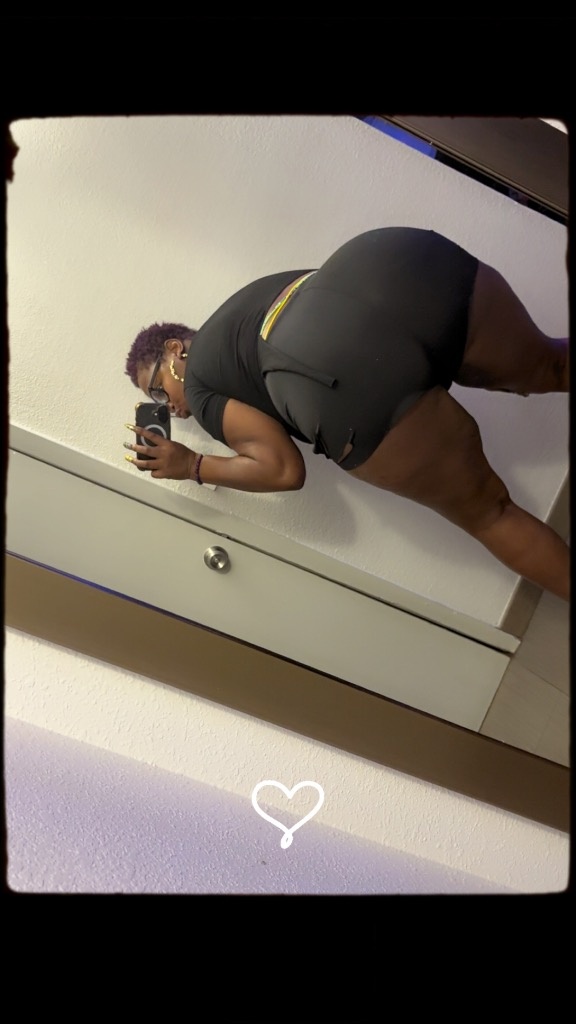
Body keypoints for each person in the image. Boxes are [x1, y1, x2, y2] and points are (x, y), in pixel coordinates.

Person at [124, 227, 570, 601]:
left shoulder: (201, 386)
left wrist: (192, 464)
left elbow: (282, 469)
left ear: (175, 350)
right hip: (392, 263)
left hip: (333, 371)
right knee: (552, 366)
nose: (172, 410)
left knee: (491, 514)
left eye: (159, 391)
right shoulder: (245, 305)